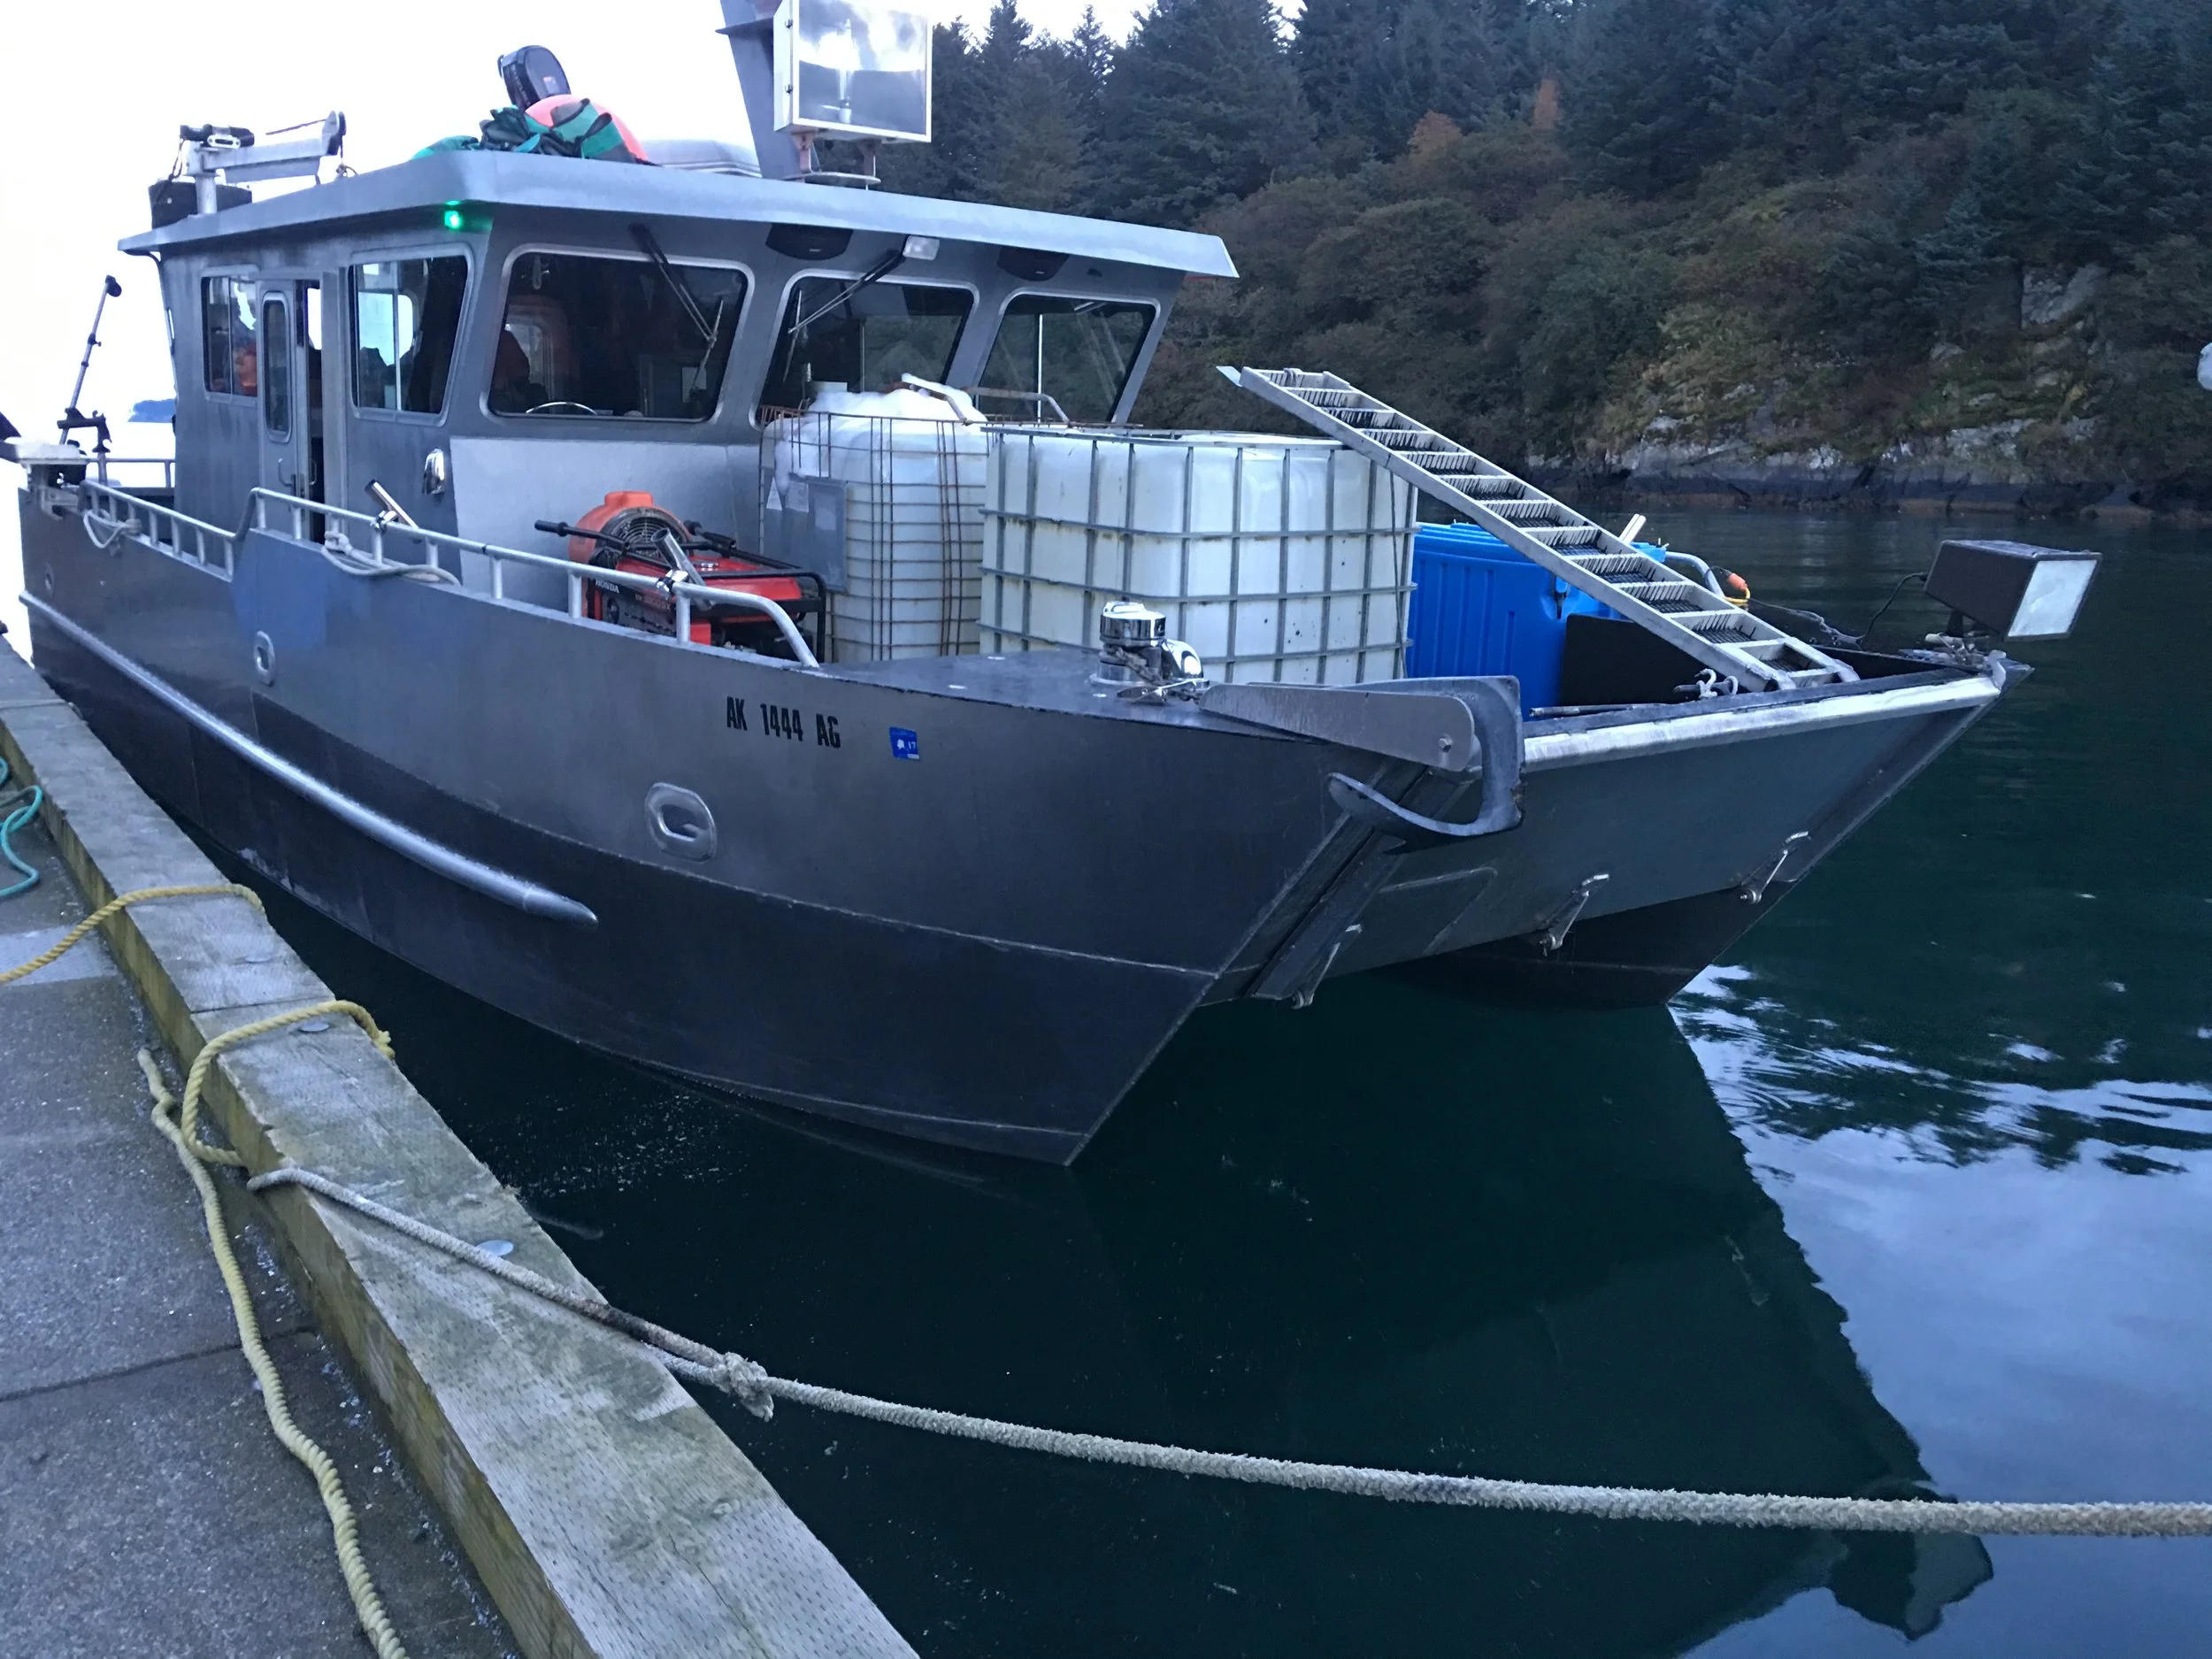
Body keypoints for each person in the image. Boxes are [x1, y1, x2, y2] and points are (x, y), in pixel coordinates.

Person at [490, 329, 549, 413]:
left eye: (520, 360)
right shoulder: (489, 402)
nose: (522, 365)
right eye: (508, 359)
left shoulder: (536, 394)